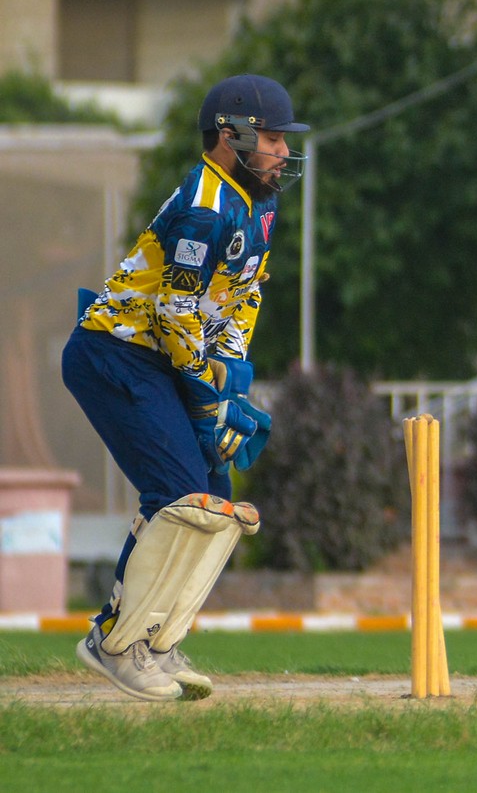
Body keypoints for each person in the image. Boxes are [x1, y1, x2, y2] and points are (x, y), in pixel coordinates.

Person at [61, 74, 307, 702]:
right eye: (273, 139)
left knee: (215, 499)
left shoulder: (260, 203)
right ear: (231, 136)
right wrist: (205, 399)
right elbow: (175, 313)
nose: (283, 152)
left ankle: (159, 640)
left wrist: (232, 380)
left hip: (167, 361)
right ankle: (115, 639)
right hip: (115, 353)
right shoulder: (205, 207)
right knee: (177, 492)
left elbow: (244, 296)